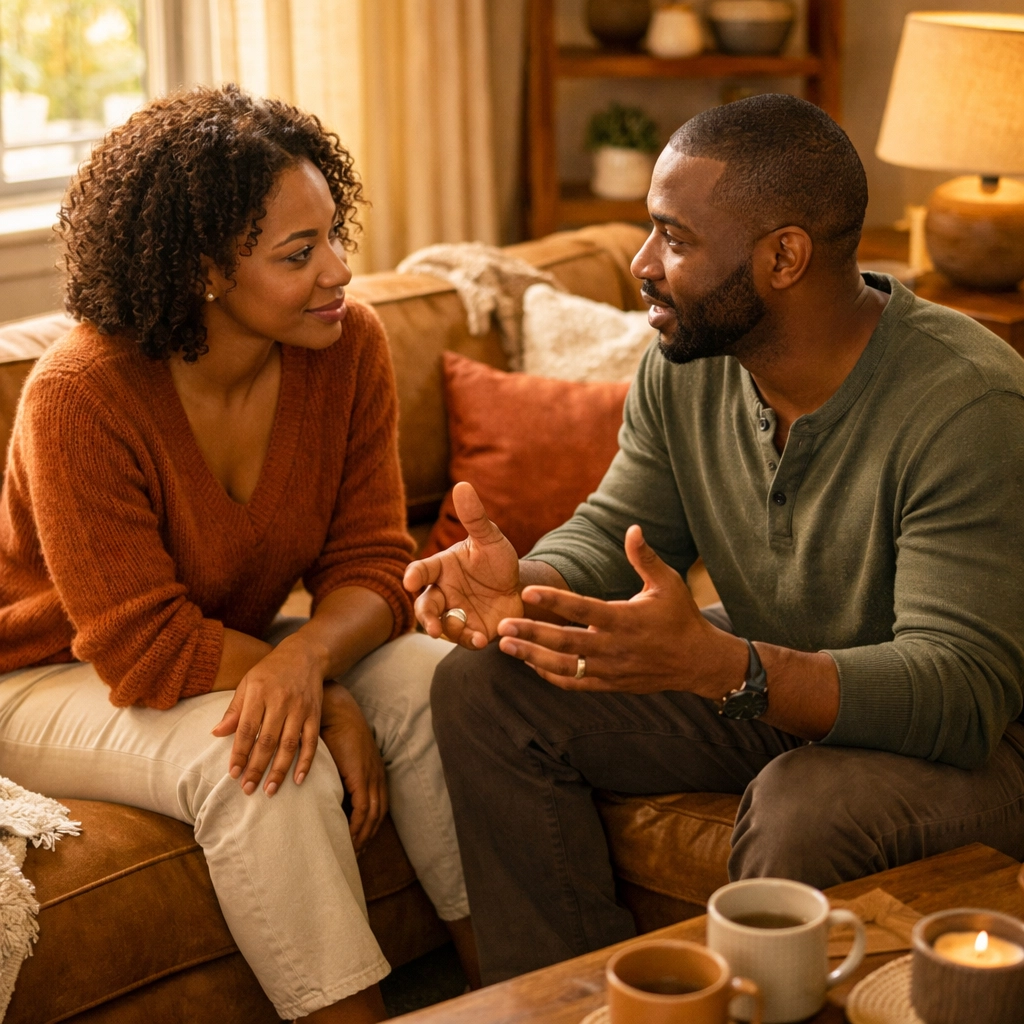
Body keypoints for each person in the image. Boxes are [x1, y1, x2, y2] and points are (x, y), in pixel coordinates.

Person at [403, 94, 1024, 984]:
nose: (641, 263)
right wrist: (525, 583)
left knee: (804, 804)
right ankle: (569, 1001)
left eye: (675, 238)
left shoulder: (967, 404)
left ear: (784, 257)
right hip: (778, 676)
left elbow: (960, 693)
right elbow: (618, 534)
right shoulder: (684, 369)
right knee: (486, 687)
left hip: (982, 742)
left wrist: (724, 667)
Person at [0, 85, 478, 1022]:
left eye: (334, 235)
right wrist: (321, 692)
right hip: (49, 674)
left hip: (227, 646)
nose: (340, 270)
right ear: (204, 271)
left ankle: (517, 990)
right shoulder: (79, 397)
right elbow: (144, 650)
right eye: (299, 255)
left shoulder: (346, 347)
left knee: (436, 683)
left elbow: (374, 563)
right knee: (262, 758)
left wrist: (306, 659)